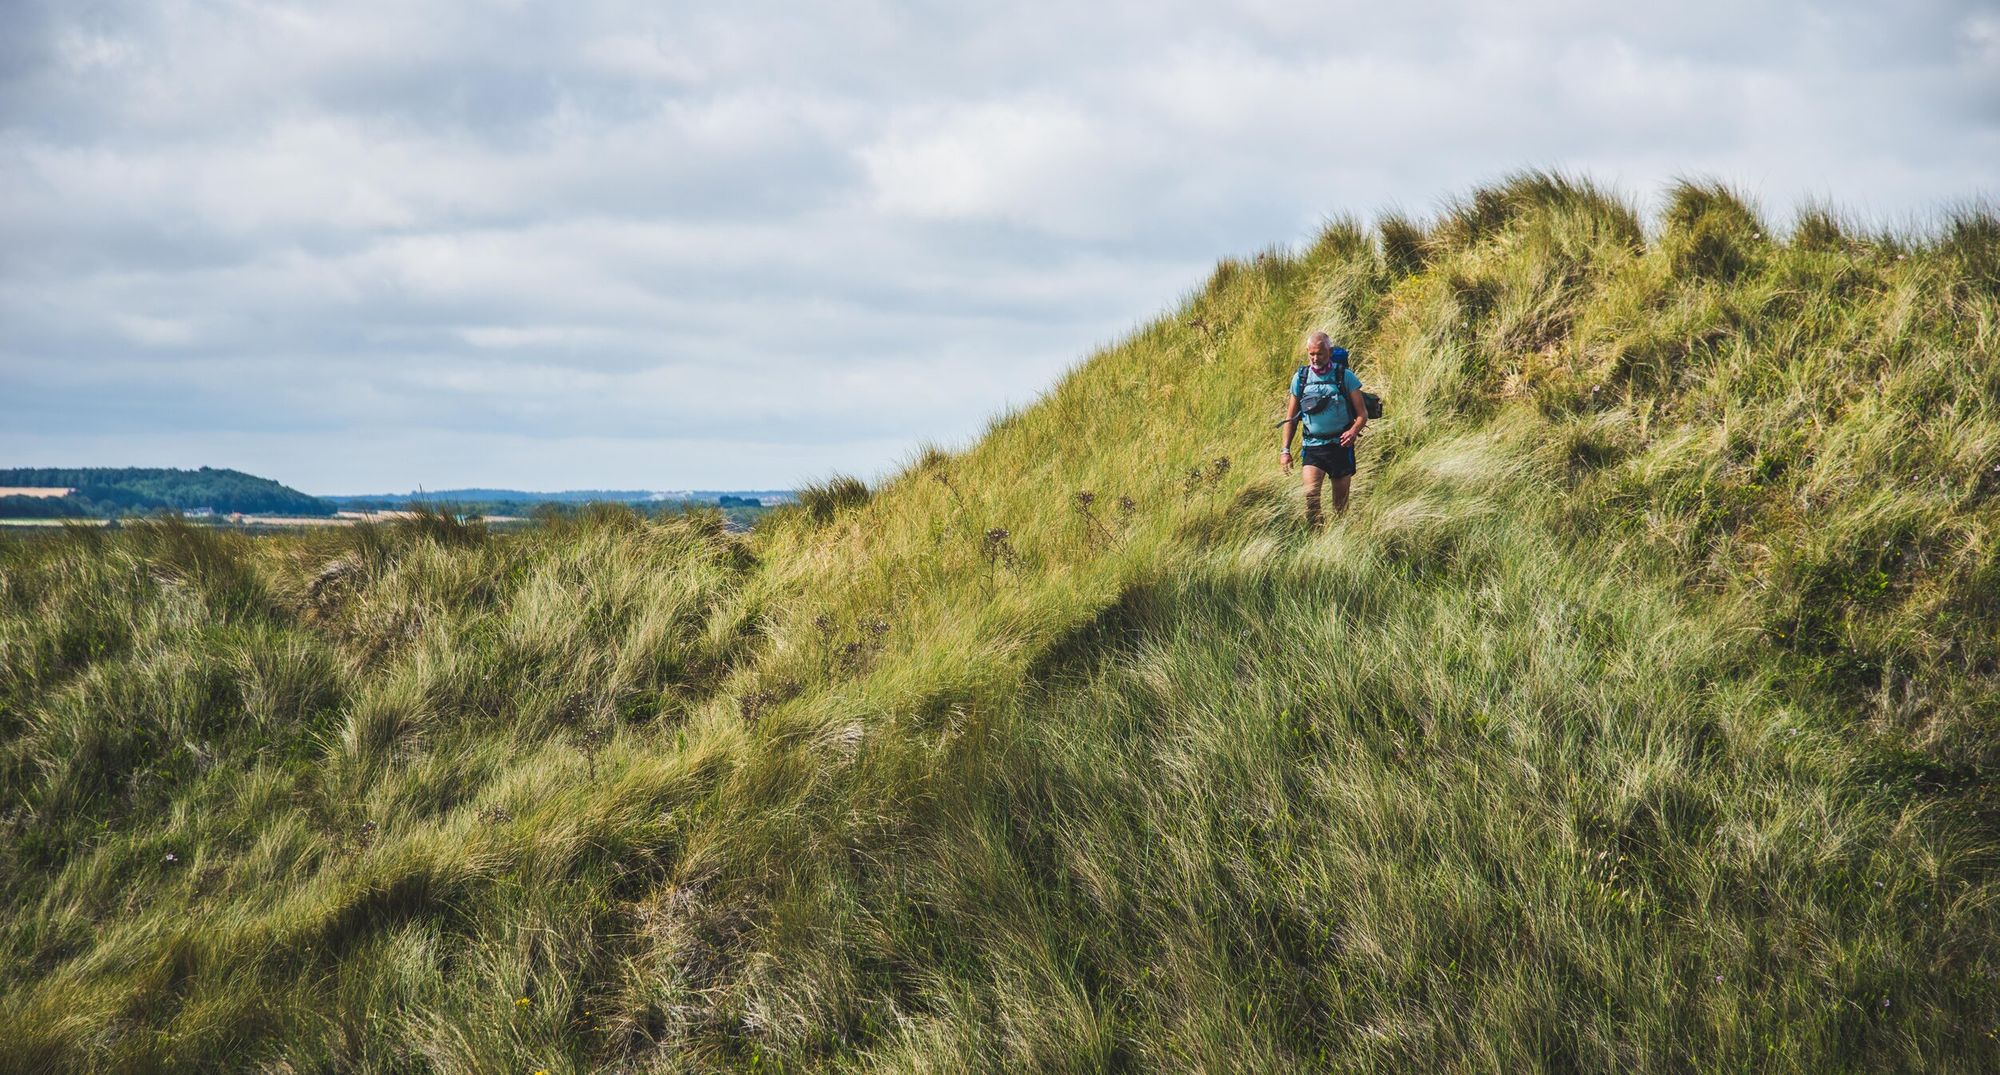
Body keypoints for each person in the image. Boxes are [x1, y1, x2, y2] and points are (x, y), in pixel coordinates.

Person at [1279, 331, 1368, 529]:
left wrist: (1353, 432)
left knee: (1340, 507)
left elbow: (1362, 415)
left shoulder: (1344, 376)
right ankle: (1315, 541)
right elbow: (1290, 419)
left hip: (1340, 447)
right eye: (1311, 354)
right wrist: (1285, 450)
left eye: (1319, 354)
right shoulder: (1300, 378)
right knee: (1310, 500)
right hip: (1313, 447)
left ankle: (1340, 543)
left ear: (1330, 351)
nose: (1315, 358)